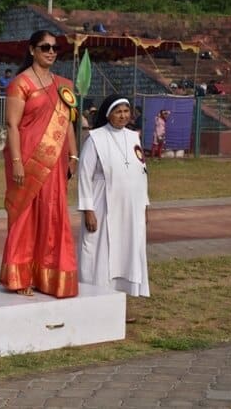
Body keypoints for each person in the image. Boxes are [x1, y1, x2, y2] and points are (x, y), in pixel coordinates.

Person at [0, 30, 79, 298]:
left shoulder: (63, 84)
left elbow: (67, 122)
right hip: (26, 159)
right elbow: (12, 125)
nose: (51, 52)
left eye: (55, 48)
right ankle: (20, 277)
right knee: (25, 216)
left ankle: (51, 277)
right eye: (45, 47)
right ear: (32, 49)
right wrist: (17, 162)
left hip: (55, 161)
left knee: (53, 214)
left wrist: (74, 155)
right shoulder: (20, 83)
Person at [78, 94, 150, 322]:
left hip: (131, 208)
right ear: (108, 114)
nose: (123, 116)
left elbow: (142, 173)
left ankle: (121, 305)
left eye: (126, 111)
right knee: (101, 254)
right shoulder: (95, 138)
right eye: (118, 111)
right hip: (103, 205)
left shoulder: (133, 137)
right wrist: (88, 209)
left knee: (126, 253)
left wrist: (144, 206)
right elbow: (84, 176)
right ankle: (96, 304)